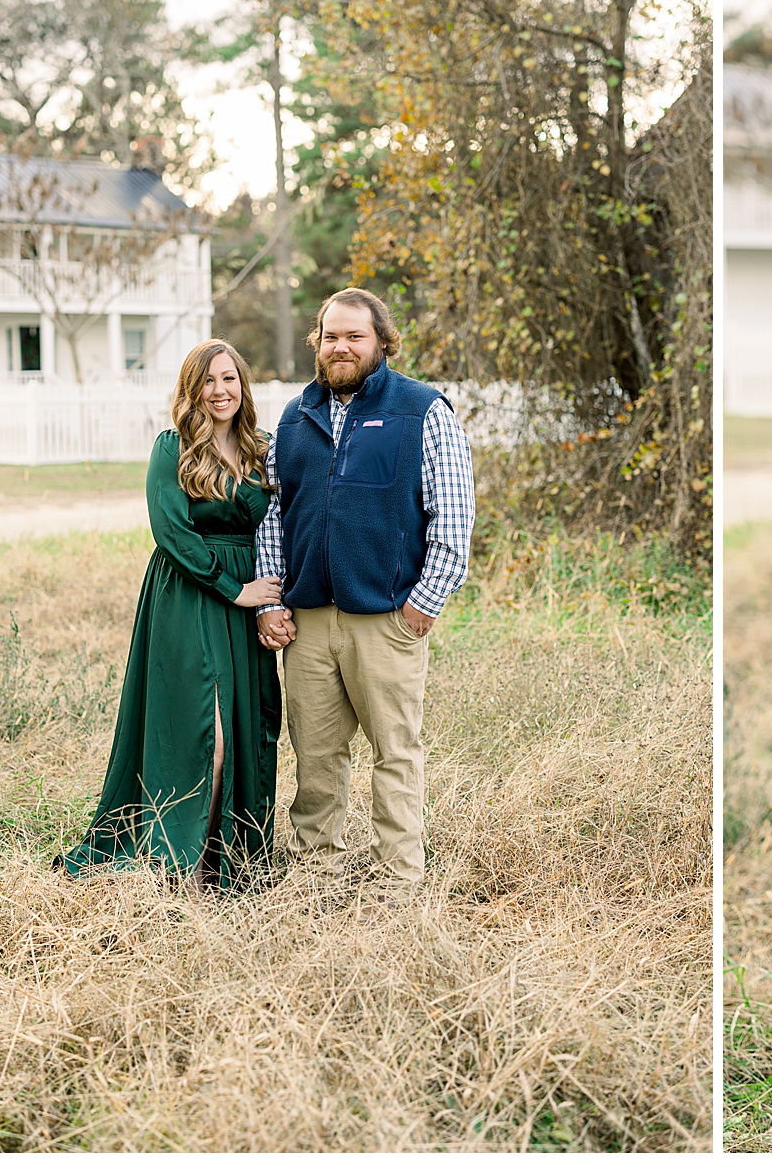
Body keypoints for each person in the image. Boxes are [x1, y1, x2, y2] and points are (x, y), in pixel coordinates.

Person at [253, 287, 474, 887]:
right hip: (308, 620)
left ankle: (400, 882)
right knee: (317, 755)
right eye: (331, 336)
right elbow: (274, 518)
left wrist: (422, 606)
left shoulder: (422, 410)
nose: (341, 347)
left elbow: (453, 516)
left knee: (395, 753)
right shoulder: (295, 421)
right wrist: (272, 602)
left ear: (381, 341)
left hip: (388, 618)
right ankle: (314, 870)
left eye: (355, 336)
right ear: (317, 344)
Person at [59, 339, 285, 890]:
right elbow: (171, 533)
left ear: (243, 385)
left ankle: (227, 857)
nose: (219, 391)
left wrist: (270, 599)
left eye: (229, 379)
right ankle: (178, 861)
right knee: (202, 728)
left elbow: (281, 523)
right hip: (192, 593)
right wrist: (235, 589)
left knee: (245, 720)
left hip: (250, 599)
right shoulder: (173, 447)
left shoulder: (263, 448)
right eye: (207, 381)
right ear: (191, 389)